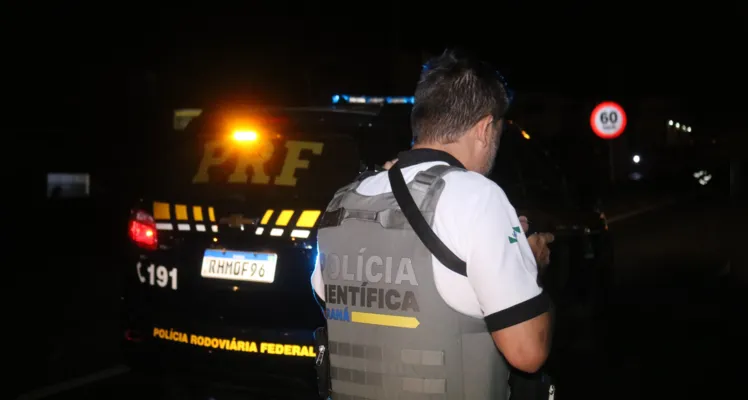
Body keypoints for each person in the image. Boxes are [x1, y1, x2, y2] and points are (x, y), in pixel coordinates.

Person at [311, 49, 554, 399]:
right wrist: (528, 266)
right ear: (486, 128)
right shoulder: (479, 196)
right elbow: (527, 353)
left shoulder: (346, 199)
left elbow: (326, 296)